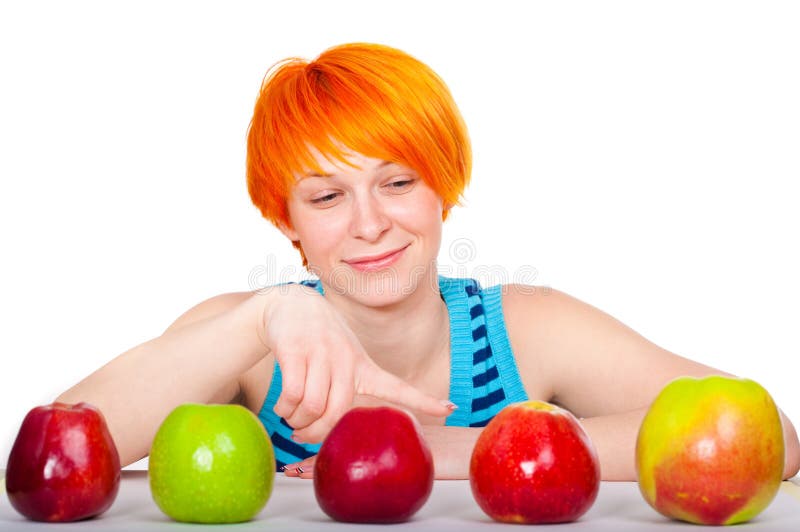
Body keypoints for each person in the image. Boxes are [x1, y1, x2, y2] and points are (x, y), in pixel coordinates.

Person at [56, 42, 800, 481]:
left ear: (442, 187)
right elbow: (62, 449)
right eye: (326, 197)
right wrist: (267, 316)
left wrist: (445, 448)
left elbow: (765, 432)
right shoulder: (247, 338)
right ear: (285, 223)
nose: (370, 223)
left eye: (398, 182)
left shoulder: (527, 328)